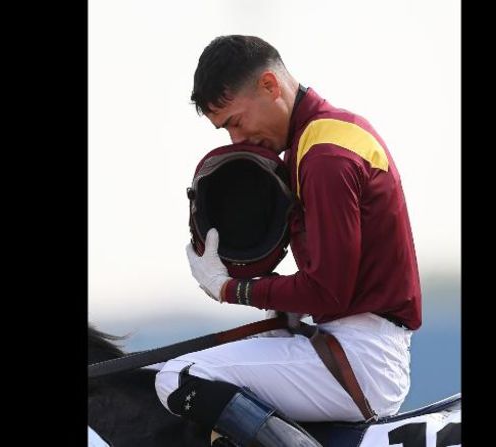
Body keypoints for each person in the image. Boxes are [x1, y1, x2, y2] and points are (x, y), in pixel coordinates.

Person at [155, 35, 422, 447]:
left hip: (360, 359)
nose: (236, 140)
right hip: (352, 344)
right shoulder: (324, 137)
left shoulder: (325, 157)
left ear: (269, 85)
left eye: (236, 122)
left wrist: (231, 289)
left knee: (178, 378)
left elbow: (328, 292)